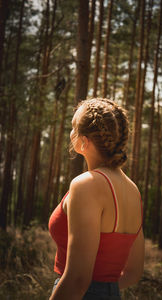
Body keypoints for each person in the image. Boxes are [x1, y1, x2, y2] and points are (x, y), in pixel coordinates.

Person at [49, 98, 144, 300]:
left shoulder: (86, 185)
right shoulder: (133, 190)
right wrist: (104, 290)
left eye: (74, 127)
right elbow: (134, 272)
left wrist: (92, 290)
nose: (70, 133)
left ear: (84, 141)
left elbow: (77, 280)